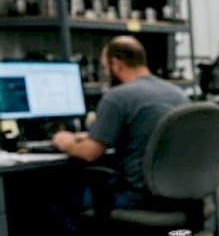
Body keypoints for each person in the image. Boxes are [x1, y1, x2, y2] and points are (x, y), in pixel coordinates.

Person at [52, 36, 188, 207]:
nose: (105, 73)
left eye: (105, 68)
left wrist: (67, 143)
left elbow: (89, 153)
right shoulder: (177, 94)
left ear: (116, 64)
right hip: (180, 194)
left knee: (55, 198)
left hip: (139, 196)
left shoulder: (117, 96)